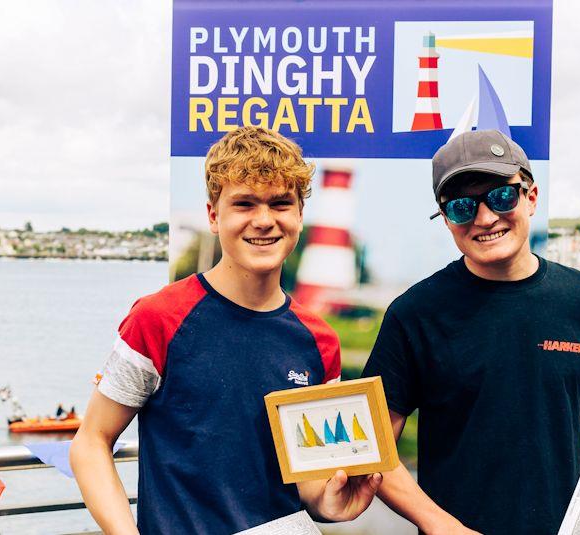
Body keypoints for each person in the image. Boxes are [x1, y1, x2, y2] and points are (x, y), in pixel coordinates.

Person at [70, 126, 382, 534]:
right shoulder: (159, 318)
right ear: (214, 216)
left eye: (281, 204)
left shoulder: (319, 340)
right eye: (245, 204)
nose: (264, 220)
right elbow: (90, 442)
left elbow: (308, 480)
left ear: (300, 216)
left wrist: (330, 502)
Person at [362, 130, 580, 535]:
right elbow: (373, 449)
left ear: (531, 197)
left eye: (501, 197)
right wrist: (442, 526)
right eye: (462, 207)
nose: (484, 218)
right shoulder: (414, 314)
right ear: (446, 220)